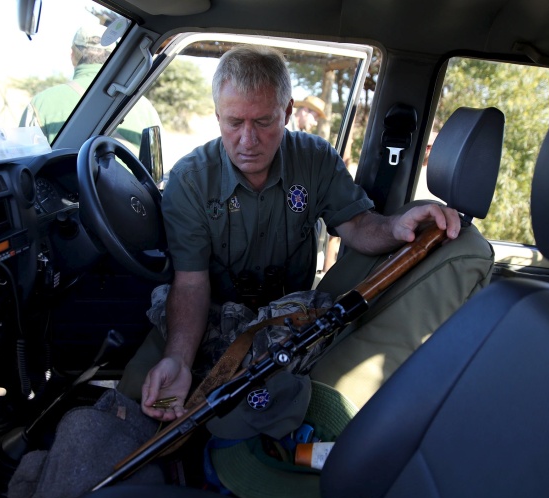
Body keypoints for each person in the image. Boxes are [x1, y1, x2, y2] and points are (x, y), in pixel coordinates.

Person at [117, 44, 461, 422]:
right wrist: (179, 359)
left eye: (263, 122)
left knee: (257, 408)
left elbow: (359, 227)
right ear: (217, 117)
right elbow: (192, 283)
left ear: (287, 112)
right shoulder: (191, 181)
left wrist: (398, 226)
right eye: (234, 122)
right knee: (140, 395)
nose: (248, 140)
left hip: (288, 326)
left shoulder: (313, 159)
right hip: (211, 317)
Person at [19, 22, 162, 147]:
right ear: (113, 56)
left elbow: (24, 165)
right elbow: (156, 172)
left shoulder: (41, 103)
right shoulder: (144, 108)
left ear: (72, 55)